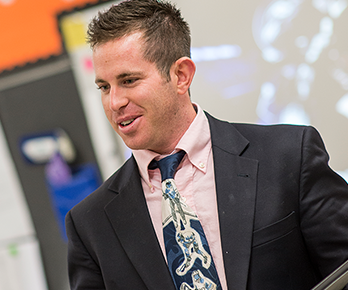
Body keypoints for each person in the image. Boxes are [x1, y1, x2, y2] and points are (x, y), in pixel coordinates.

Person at [65, 0, 348, 289]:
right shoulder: (90, 223)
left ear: (181, 76)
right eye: (104, 87)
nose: (114, 102)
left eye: (128, 80)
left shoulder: (288, 157)